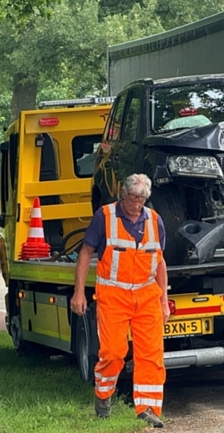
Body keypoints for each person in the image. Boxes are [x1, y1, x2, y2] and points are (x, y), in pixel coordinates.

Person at [70, 173, 169, 428]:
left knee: (151, 354)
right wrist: (78, 292)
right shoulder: (104, 217)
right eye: (133, 197)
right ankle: (103, 396)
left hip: (147, 296)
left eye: (142, 198)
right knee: (113, 352)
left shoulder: (155, 220)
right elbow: (85, 254)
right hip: (114, 296)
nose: (137, 203)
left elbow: (159, 262)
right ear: (122, 195)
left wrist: (163, 299)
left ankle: (148, 408)